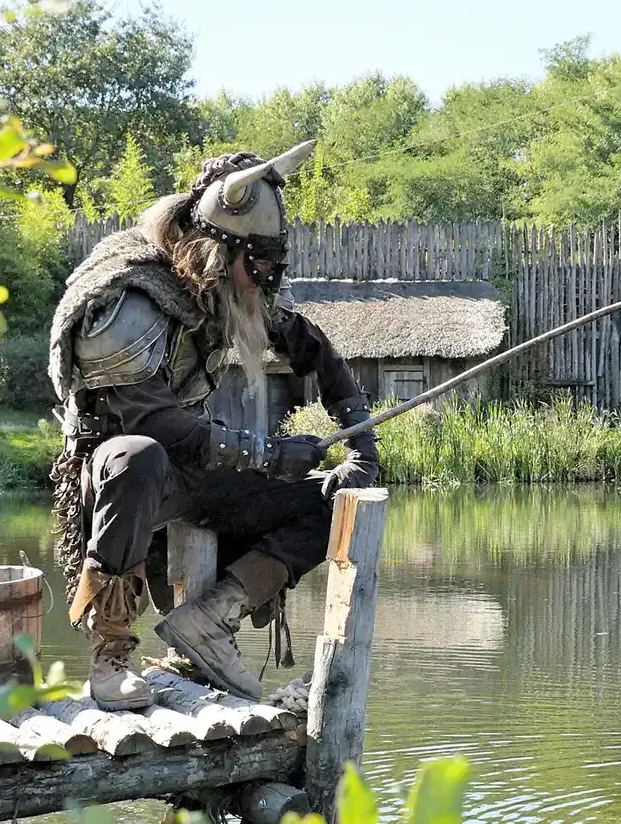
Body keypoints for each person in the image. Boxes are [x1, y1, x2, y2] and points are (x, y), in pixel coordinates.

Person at [45, 142, 380, 710]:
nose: (266, 278)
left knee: (334, 500)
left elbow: (313, 348)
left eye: (274, 263)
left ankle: (211, 618)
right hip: (120, 477)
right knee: (138, 455)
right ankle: (109, 660)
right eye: (259, 263)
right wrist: (270, 455)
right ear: (216, 248)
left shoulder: (230, 286)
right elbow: (153, 422)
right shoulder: (130, 298)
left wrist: (360, 447)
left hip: (193, 471)